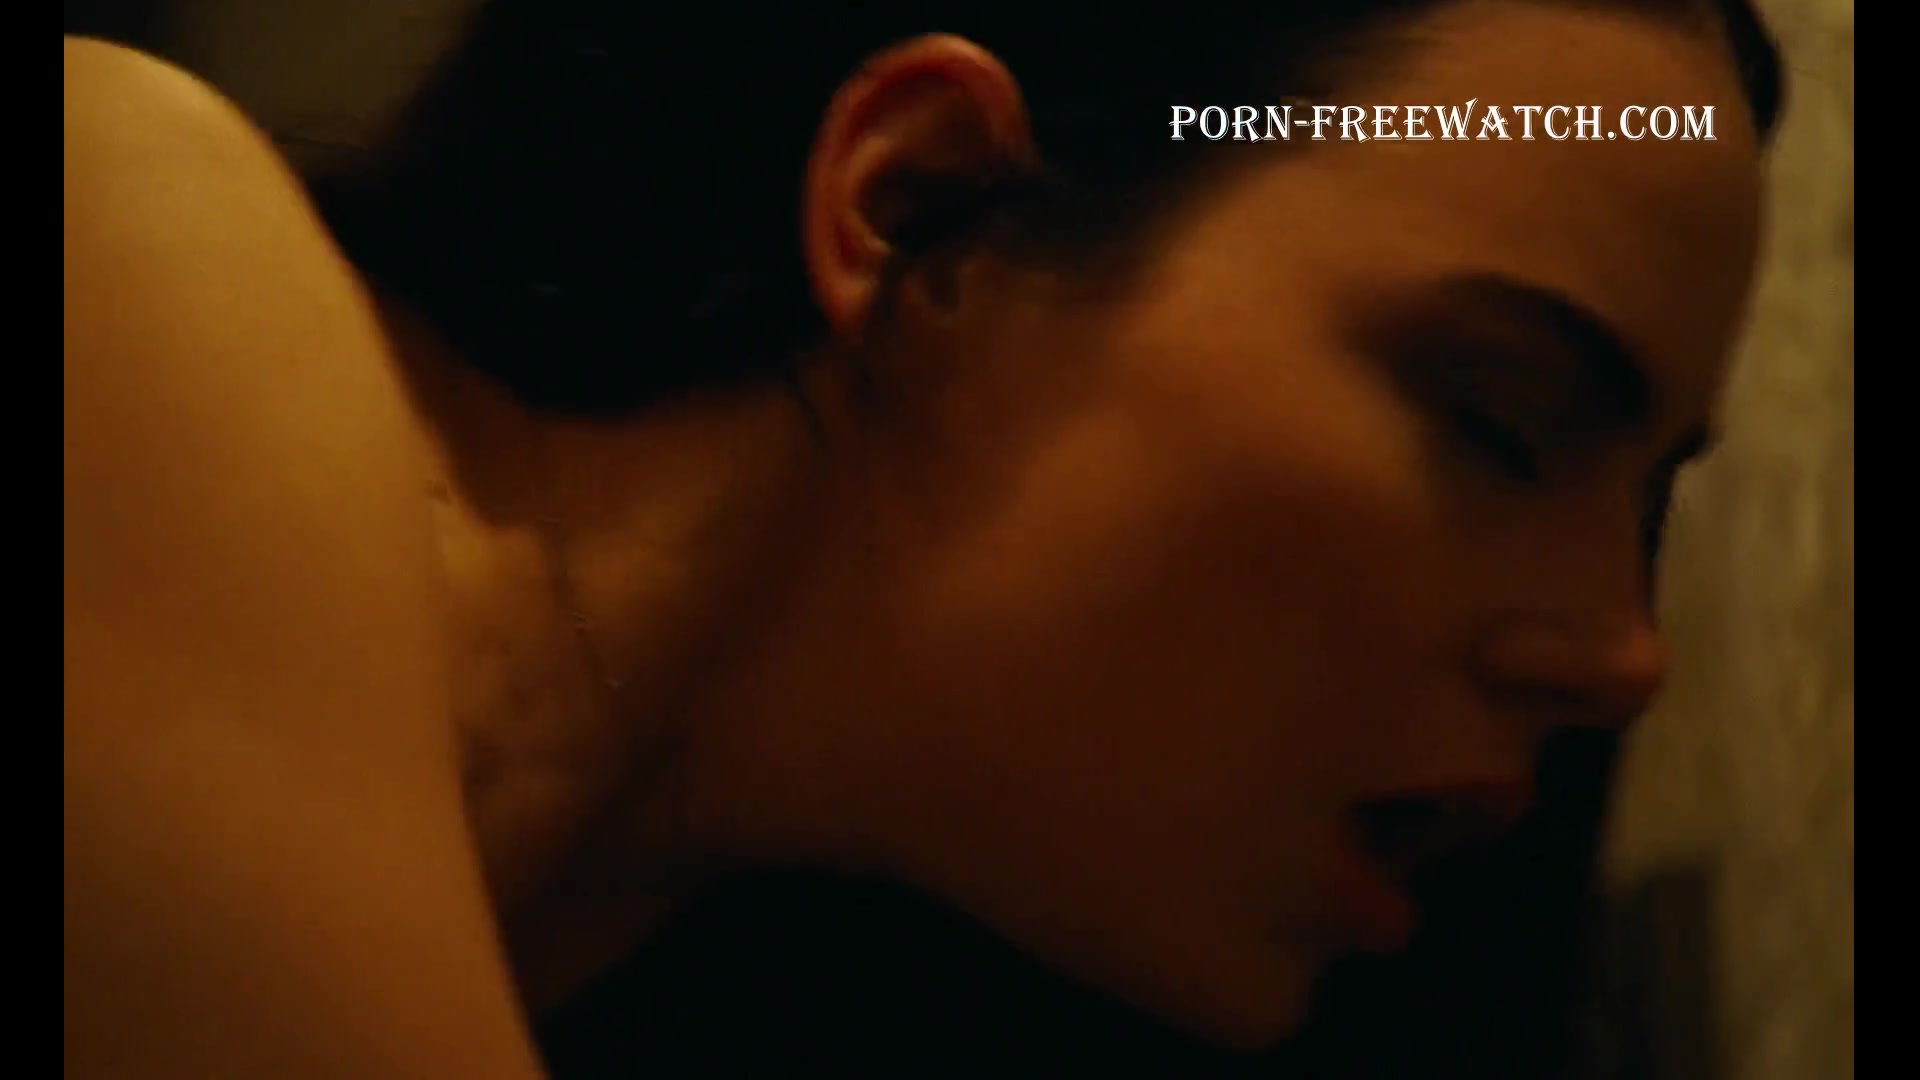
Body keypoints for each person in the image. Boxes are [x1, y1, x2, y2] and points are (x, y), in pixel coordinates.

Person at [63, 1, 1784, 1076]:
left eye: (1649, 503)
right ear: (926, 206)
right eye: (1500, 415)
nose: (1626, 658)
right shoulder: (119, 246)